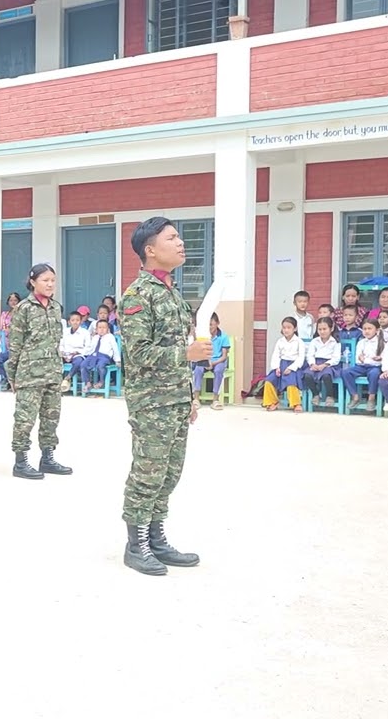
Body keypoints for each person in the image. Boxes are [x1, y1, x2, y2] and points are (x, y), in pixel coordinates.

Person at [119, 217, 212, 577]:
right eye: (172, 238)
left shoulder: (171, 292)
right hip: (151, 402)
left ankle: (156, 538)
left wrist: (190, 397)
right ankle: (136, 544)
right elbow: (138, 354)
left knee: (169, 473)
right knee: (148, 472)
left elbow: (175, 347)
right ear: (150, 250)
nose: (181, 243)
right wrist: (186, 356)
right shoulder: (137, 296)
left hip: (174, 399)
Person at [6, 263, 71, 480]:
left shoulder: (56, 307)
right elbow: (15, 344)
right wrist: (13, 376)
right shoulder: (23, 309)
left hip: (52, 371)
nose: (50, 284)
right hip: (29, 374)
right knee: (25, 419)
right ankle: (21, 461)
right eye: (45, 280)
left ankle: (48, 457)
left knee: (51, 417)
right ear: (33, 282)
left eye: (53, 280)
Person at [262, 317, 307, 412]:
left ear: (295, 329)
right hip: (281, 365)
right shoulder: (280, 341)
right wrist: (276, 368)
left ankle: (296, 404)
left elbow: (300, 358)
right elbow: (275, 356)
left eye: (289, 327)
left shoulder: (299, 342)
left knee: (291, 381)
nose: (286, 330)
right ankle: (272, 402)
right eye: (284, 327)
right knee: (269, 381)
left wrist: (291, 368)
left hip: (294, 366)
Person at [342, 319, 384, 412]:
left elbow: (380, 361)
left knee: (374, 374)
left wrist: (366, 359)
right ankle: (355, 396)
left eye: (370, 328)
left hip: (375, 367)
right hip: (361, 366)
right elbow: (358, 359)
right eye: (365, 329)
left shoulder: (382, 343)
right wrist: (369, 359)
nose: (367, 331)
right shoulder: (361, 342)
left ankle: (371, 398)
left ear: (377, 330)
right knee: (346, 372)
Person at [191, 312, 230, 409]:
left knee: (219, 371)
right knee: (198, 369)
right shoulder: (203, 336)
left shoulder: (223, 337)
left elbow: (224, 356)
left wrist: (213, 363)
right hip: (204, 359)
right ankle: (196, 398)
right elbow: (198, 351)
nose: (209, 327)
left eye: (211, 325)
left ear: (217, 323)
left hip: (218, 361)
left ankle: (215, 399)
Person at [303, 318, 342, 407]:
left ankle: (330, 396)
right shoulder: (314, 341)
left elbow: (336, 358)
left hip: (329, 364)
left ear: (331, 329)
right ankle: (316, 394)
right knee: (307, 375)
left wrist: (325, 365)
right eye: (320, 329)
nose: (322, 332)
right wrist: (313, 364)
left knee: (326, 375)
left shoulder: (335, 342)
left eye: (325, 329)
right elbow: (310, 355)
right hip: (316, 362)